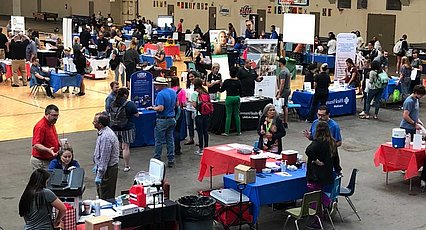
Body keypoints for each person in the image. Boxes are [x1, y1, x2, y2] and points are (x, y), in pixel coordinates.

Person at [305, 121, 342, 210]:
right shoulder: (332, 142)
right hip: (327, 173)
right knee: (319, 192)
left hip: (316, 174)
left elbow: (308, 150)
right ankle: (326, 206)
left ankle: (327, 205)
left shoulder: (317, 142)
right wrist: (338, 170)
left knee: (314, 196)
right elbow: (336, 158)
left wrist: (316, 160)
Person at [147, 77, 177, 167]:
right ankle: (171, 159)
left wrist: (152, 108)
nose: (155, 86)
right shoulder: (172, 92)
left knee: (159, 141)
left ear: (161, 85)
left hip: (162, 120)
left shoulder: (160, 94)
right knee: (170, 140)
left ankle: (157, 160)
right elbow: (177, 104)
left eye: (156, 84)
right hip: (172, 118)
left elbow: (160, 108)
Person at [108, 88, 139, 171]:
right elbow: (137, 115)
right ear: (125, 95)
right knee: (125, 147)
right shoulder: (129, 104)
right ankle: (126, 166)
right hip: (127, 127)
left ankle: (115, 165)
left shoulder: (112, 103)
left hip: (114, 127)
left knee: (116, 147)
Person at [92, 112, 120, 199]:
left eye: (95, 121)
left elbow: (104, 159)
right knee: (102, 194)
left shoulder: (106, 137)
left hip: (107, 171)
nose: (93, 122)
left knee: (106, 196)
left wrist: (99, 174)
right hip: (105, 169)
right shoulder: (104, 132)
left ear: (100, 124)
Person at [31, 104, 60, 170]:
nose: (56, 118)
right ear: (47, 114)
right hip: (41, 162)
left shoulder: (51, 123)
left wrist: (58, 144)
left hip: (49, 160)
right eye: (54, 115)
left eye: (57, 115)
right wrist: (48, 150)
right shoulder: (41, 127)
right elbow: (36, 145)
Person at [220, 66, 242, 136]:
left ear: (230, 73)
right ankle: (239, 131)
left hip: (229, 98)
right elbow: (241, 91)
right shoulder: (238, 81)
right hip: (237, 97)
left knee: (228, 115)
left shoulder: (226, 81)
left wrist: (221, 85)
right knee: (236, 114)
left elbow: (221, 90)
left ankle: (227, 132)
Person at [192, 78, 210, 156]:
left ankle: (200, 149)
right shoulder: (205, 91)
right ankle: (206, 147)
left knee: (200, 132)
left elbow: (194, 105)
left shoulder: (195, 93)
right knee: (205, 131)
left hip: (198, 114)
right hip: (206, 113)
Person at [171, 76, 186, 156]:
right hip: (179, 112)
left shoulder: (169, 91)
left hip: (170, 112)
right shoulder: (182, 91)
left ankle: (170, 148)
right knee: (177, 130)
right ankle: (177, 149)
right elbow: (184, 103)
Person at [276, 58, 291, 129]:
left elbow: (282, 83)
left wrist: (279, 93)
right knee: (285, 105)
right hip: (288, 89)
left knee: (282, 106)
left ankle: (283, 122)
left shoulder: (283, 72)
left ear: (280, 63)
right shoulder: (287, 70)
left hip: (284, 90)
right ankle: (285, 121)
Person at [184, 71, 198, 145]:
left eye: (192, 76)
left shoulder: (198, 86)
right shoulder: (188, 86)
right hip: (188, 107)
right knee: (189, 124)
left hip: (195, 108)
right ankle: (191, 138)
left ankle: (199, 140)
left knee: (197, 124)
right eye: (189, 77)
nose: (191, 78)